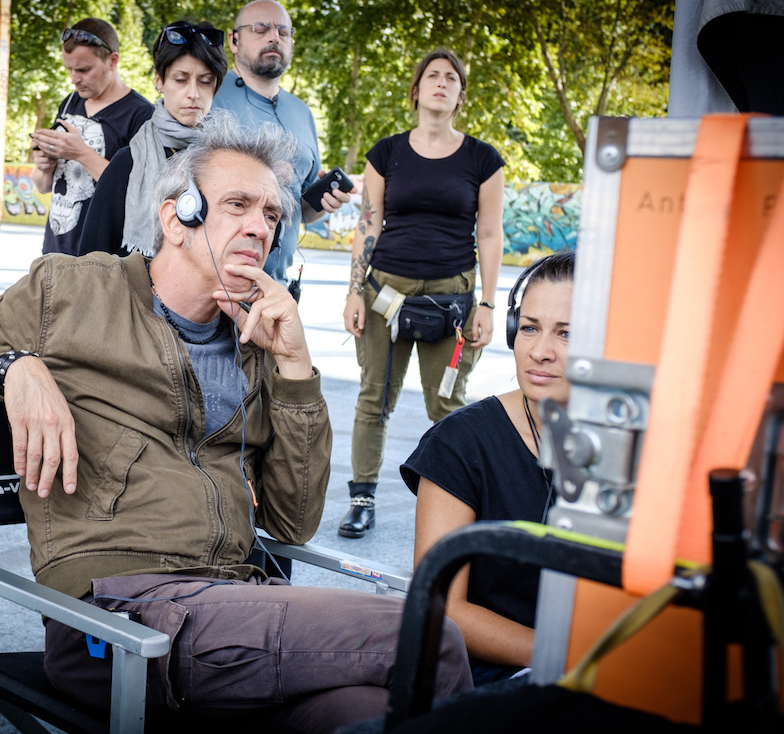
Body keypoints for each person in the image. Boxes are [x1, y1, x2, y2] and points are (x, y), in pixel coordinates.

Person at [0, 115, 472, 733]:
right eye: (238, 205)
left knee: (370, 714)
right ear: (177, 218)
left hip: (238, 607)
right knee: (428, 638)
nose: (260, 227)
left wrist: (296, 367)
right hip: (116, 622)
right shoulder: (70, 291)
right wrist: (14, 369)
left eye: (272, 214)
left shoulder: (255, 339)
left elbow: (292, 522)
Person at [339, 48, 505, 538]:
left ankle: (453, 503)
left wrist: (487, 303)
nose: (441, 82)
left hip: (451, 300)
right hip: (384, 295)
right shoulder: (386, 153)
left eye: (452, 77)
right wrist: (354, 291)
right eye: (432, 75)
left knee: (448, 406)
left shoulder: (483, 159)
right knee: (374, 400)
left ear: (461, 96)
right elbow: (368, 224)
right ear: (415, 91)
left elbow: (490, 235)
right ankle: (362, 499)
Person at [401, 250, 575, 686]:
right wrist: (569, 658)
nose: (540, 352)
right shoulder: (460, 442)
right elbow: (442, 604)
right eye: (529, 328)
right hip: (496, 677)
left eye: (567, 334)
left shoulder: (643, 447)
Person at [212, 0, 349, 284]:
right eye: (261, 28)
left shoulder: (303, 113)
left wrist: (324, 203)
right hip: (217, 284)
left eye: (283, 32)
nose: (274, 37)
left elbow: (303, 212)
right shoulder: (206, 97)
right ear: (234, 40)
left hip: (278, 287)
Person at [78, 20, 227, 257]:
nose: (193, 93)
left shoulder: (230, 161)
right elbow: (91, 257)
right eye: (181, 79)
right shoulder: (128, 162)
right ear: (159, 80)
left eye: (205, 81)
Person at [31, 17, 153, 256]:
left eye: (84, 70)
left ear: (112, 61)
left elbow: (136, 196)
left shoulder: (141, 115)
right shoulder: (69, 102)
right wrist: (45, 167)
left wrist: (81, 153)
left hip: (101, 259)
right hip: (54, 253)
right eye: (69, 69)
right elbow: (43, 186)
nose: (74, 78)